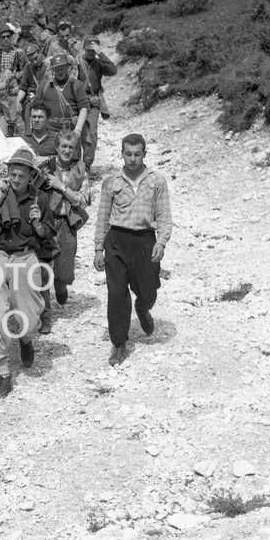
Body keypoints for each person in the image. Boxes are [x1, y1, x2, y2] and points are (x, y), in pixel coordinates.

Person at [0, 148, 55, 400]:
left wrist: (37, 223)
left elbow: (47, 235)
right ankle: (3, 372)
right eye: (12, 174)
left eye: (21, 175)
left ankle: (25, 338)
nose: (15, 179)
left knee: (30, 318)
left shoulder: (40, 198)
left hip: (24, 256)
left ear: (31, 176)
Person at [93, 134, 173, 366]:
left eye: (137, 154)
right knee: (116, 294)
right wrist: (98, 248)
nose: (133, 158)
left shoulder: (156, 181)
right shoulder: (111, 182)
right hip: (117, 241)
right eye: (128, 154)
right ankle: (119, 343)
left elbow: (164, 215)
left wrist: (161, 242)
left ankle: (142, 307)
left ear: (144, 154)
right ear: (122, 154)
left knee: (148, 290)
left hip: (145, 241)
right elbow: (102, 216)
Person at [45, 132, 90, 307]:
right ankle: (43, 306)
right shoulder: (46, 167)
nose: (67, 150)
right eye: (63, 146)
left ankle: (60, 286)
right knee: (42, 264)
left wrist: (61, 187)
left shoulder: (80, 170)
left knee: (64, 266)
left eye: (71, 147)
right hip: (47, 221)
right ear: (57, 147)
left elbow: (83, 200)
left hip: (67, 223)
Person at [33, 52, 89, 150]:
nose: (59, 71)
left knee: (71, 157)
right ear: (53, 70)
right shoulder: (44, 86)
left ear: (68, 68)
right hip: (50, 131)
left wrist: (78, 130)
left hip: (70, 131)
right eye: (57, 69)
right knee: (47, 155)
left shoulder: (77, 85)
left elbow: (83, 108)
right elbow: (36, 107)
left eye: (62, 68)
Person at [80, 37, 118, 170]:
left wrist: (101, 54)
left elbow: (113, 70)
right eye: (89, 50)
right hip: (78, 101)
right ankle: (73, 166)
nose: (91, 53)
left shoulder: (99, 63)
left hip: (94, 102)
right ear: (84, 49)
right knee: (76, 133)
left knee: (91, 135)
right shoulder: (78, 63)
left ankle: (86, 165)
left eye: (93, 50)